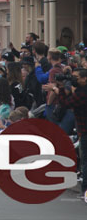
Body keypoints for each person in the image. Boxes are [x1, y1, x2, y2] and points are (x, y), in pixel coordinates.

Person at [44, 68, 87, 203]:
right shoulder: (80, 91)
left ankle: (85, 191)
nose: (73, 79)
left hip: (85, 130)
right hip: (82, 129)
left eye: (76, 77)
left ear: (85, 79)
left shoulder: (82, 93)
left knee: (85, 162)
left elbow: (65, 103)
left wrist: (58, 90)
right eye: (72, 76)